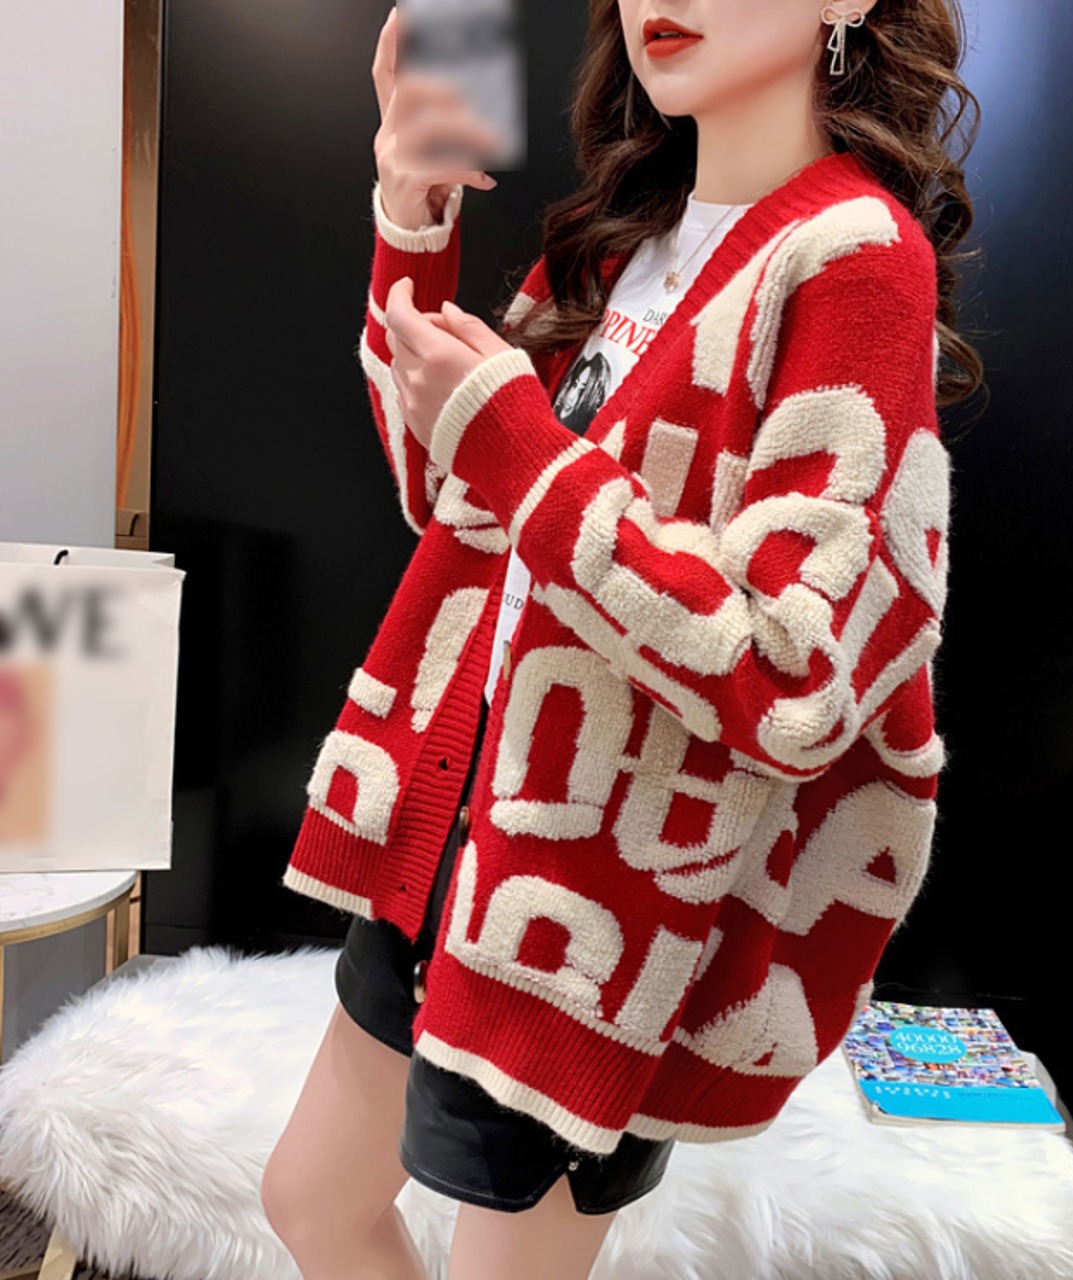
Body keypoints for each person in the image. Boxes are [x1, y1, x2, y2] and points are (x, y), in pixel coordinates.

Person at [262, 3, 984, 1278]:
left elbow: (791, 670)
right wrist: (411, 224)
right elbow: (453, 498)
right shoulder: (620, 241)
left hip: (598, 899)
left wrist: (519, 447)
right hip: (455, 834)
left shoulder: (851, 259)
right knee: (309, 1201)